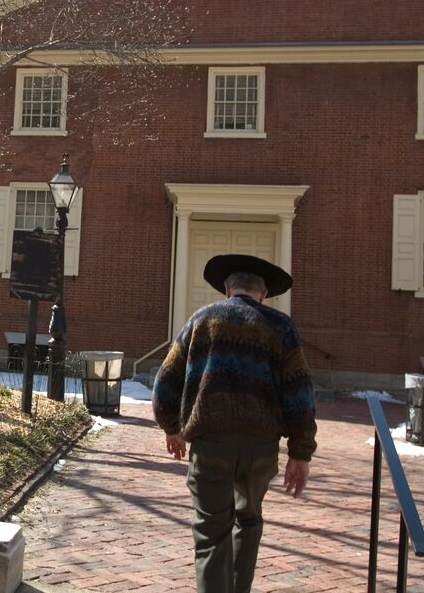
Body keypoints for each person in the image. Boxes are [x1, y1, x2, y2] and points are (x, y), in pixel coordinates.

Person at [152, 254, 316, 593]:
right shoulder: (281, 328)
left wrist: (171, 427)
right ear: (264, 293)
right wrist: (300, 452)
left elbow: (165, 381)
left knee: (211, 532)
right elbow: (300, 393)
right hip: (261, 447)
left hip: (211, 442)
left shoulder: (202, 320)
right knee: (249, 518)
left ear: (228, 289)